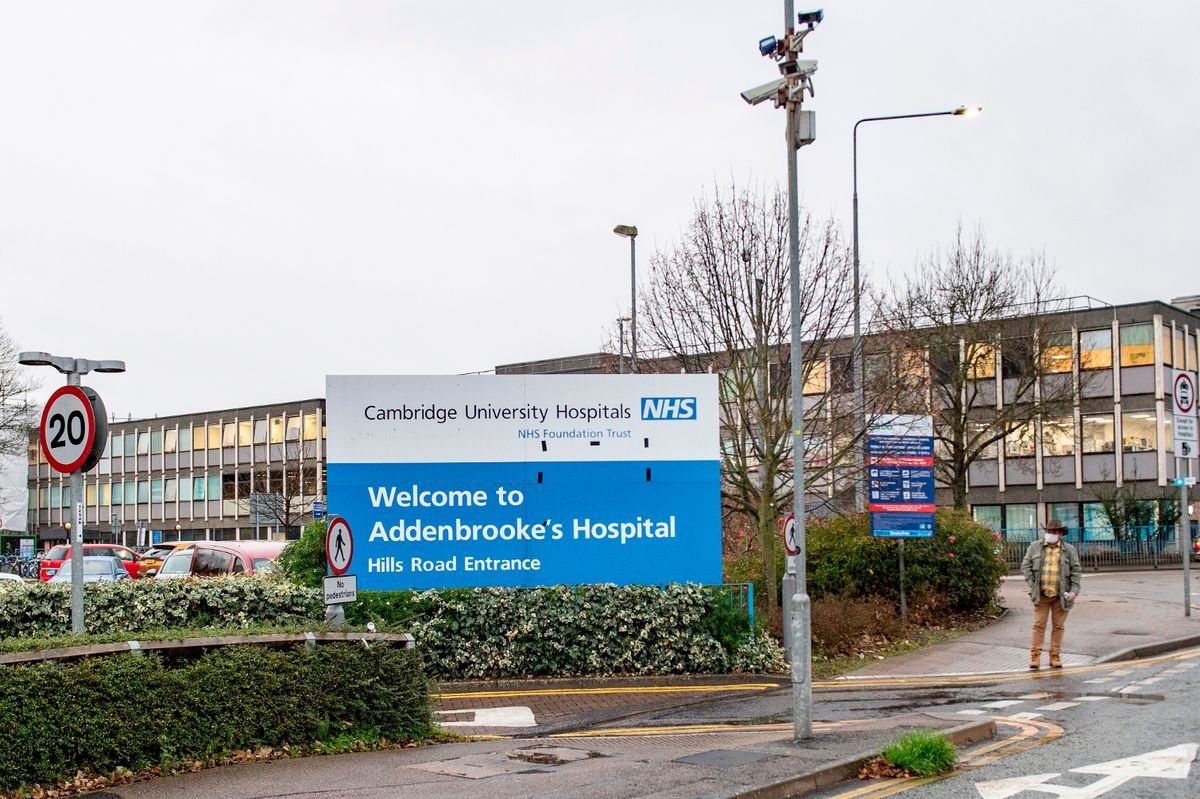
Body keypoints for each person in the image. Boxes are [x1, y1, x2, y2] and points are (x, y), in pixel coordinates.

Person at [1020, 518, 1082, 670]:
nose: (1050, 534)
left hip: (1061, 596)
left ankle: (1055, 656)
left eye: (1054, 532)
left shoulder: (1069, 550)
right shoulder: (1035, 547)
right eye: (1048, 531)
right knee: (1038, 625)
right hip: (1041, 595)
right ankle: (1035, 657)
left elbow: (1076, 571)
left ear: (1061, 534)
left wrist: (1074, 591)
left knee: (1058, 626)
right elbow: (1025, 565)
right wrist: (1032, 583)